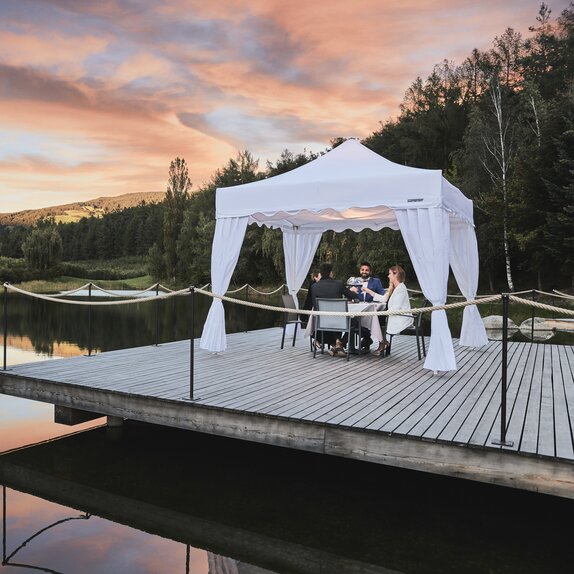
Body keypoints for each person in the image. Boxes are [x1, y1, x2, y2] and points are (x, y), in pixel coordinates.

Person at [362, 265, 413, 355]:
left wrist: (383, 312)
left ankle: (382, 342)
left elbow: (396, 308)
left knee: (376, 318)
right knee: (376, 317)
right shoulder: (395, 288)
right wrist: (369, 291)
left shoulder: (401, 288)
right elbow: (383, 299)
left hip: (401, 317)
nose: (388, 276)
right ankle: (383, 342)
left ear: (395, 275)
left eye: (390, 274)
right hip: (394, 314)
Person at [310, 263, 357, 357]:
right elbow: (352, 296)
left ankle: (335, 344)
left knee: (334, 319)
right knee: (356, 321)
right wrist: (354, 291)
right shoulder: (338, 284)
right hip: (339, 321)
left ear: (321, 274)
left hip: (322, 322)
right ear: (331, 273)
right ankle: (340, 344)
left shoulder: (314, 287)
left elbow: (315, 306)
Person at [348, 261, 386, 351]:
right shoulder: (355, 281)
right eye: (362, 270)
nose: (364, 271)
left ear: (370, 271)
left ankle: (366, 339)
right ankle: (367, 339)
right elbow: (348, 296)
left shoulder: (376, 282)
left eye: (366, 270)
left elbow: (382, 295)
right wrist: (350, 291)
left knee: (355, 322)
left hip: (371, 310)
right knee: (352, 321)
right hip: (357, 310)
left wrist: (372, 293)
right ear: (360, 270)